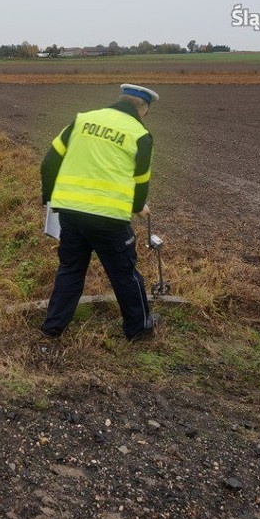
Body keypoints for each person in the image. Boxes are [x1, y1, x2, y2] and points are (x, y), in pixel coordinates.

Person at [40, 83, 161, 341]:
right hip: (109, 219)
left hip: (71, 214)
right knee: (124, 274)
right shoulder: (140, 134)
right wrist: (139, 207)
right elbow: (141, 182)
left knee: (70, 270)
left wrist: (50, 199)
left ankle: (52, 328)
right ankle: (139, 329)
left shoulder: (83, 120)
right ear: (143, 109)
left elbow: (50, 161)